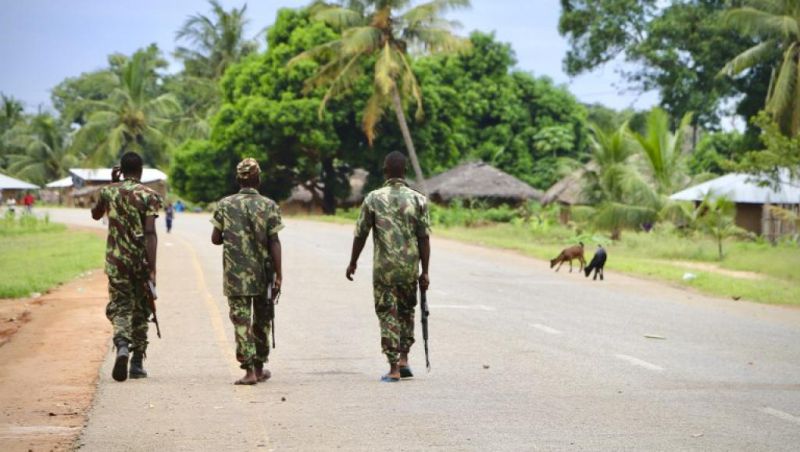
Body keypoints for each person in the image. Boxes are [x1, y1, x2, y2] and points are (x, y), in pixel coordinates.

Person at [346, 151, 431, 382]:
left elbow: (361, 234)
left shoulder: (373, 198)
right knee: (406, 311)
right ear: (405, 172)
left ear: (385, 171)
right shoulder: (418, 199)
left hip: (384, 270)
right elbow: (424, 238)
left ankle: (393, 368)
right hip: (408, 269)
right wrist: (425, 272)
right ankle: (404, 360)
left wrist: (353, 262)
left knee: (387, 314)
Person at [91, 152, 163, 382]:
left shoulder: (108, 192)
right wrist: (152, 268)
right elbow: (151, 233)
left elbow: (95, 214)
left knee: (121, 307)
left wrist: (111, 182)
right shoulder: (149, 195)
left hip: (116, 263)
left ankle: (122, 345)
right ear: (141, 170)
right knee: (142, 309)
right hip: (140, 263)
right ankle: (137, 363)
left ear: (121, 169)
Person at [211, 158, 283, 385]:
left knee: (241, 321)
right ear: (258, 179)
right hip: (263, 273)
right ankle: (260, 367)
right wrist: (279, 274)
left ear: (238, 179)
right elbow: (275, 241)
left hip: (235, 275)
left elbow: (215, 239)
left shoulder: (225, 204)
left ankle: (249, 370)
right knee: (262, 321)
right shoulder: (269, 205)